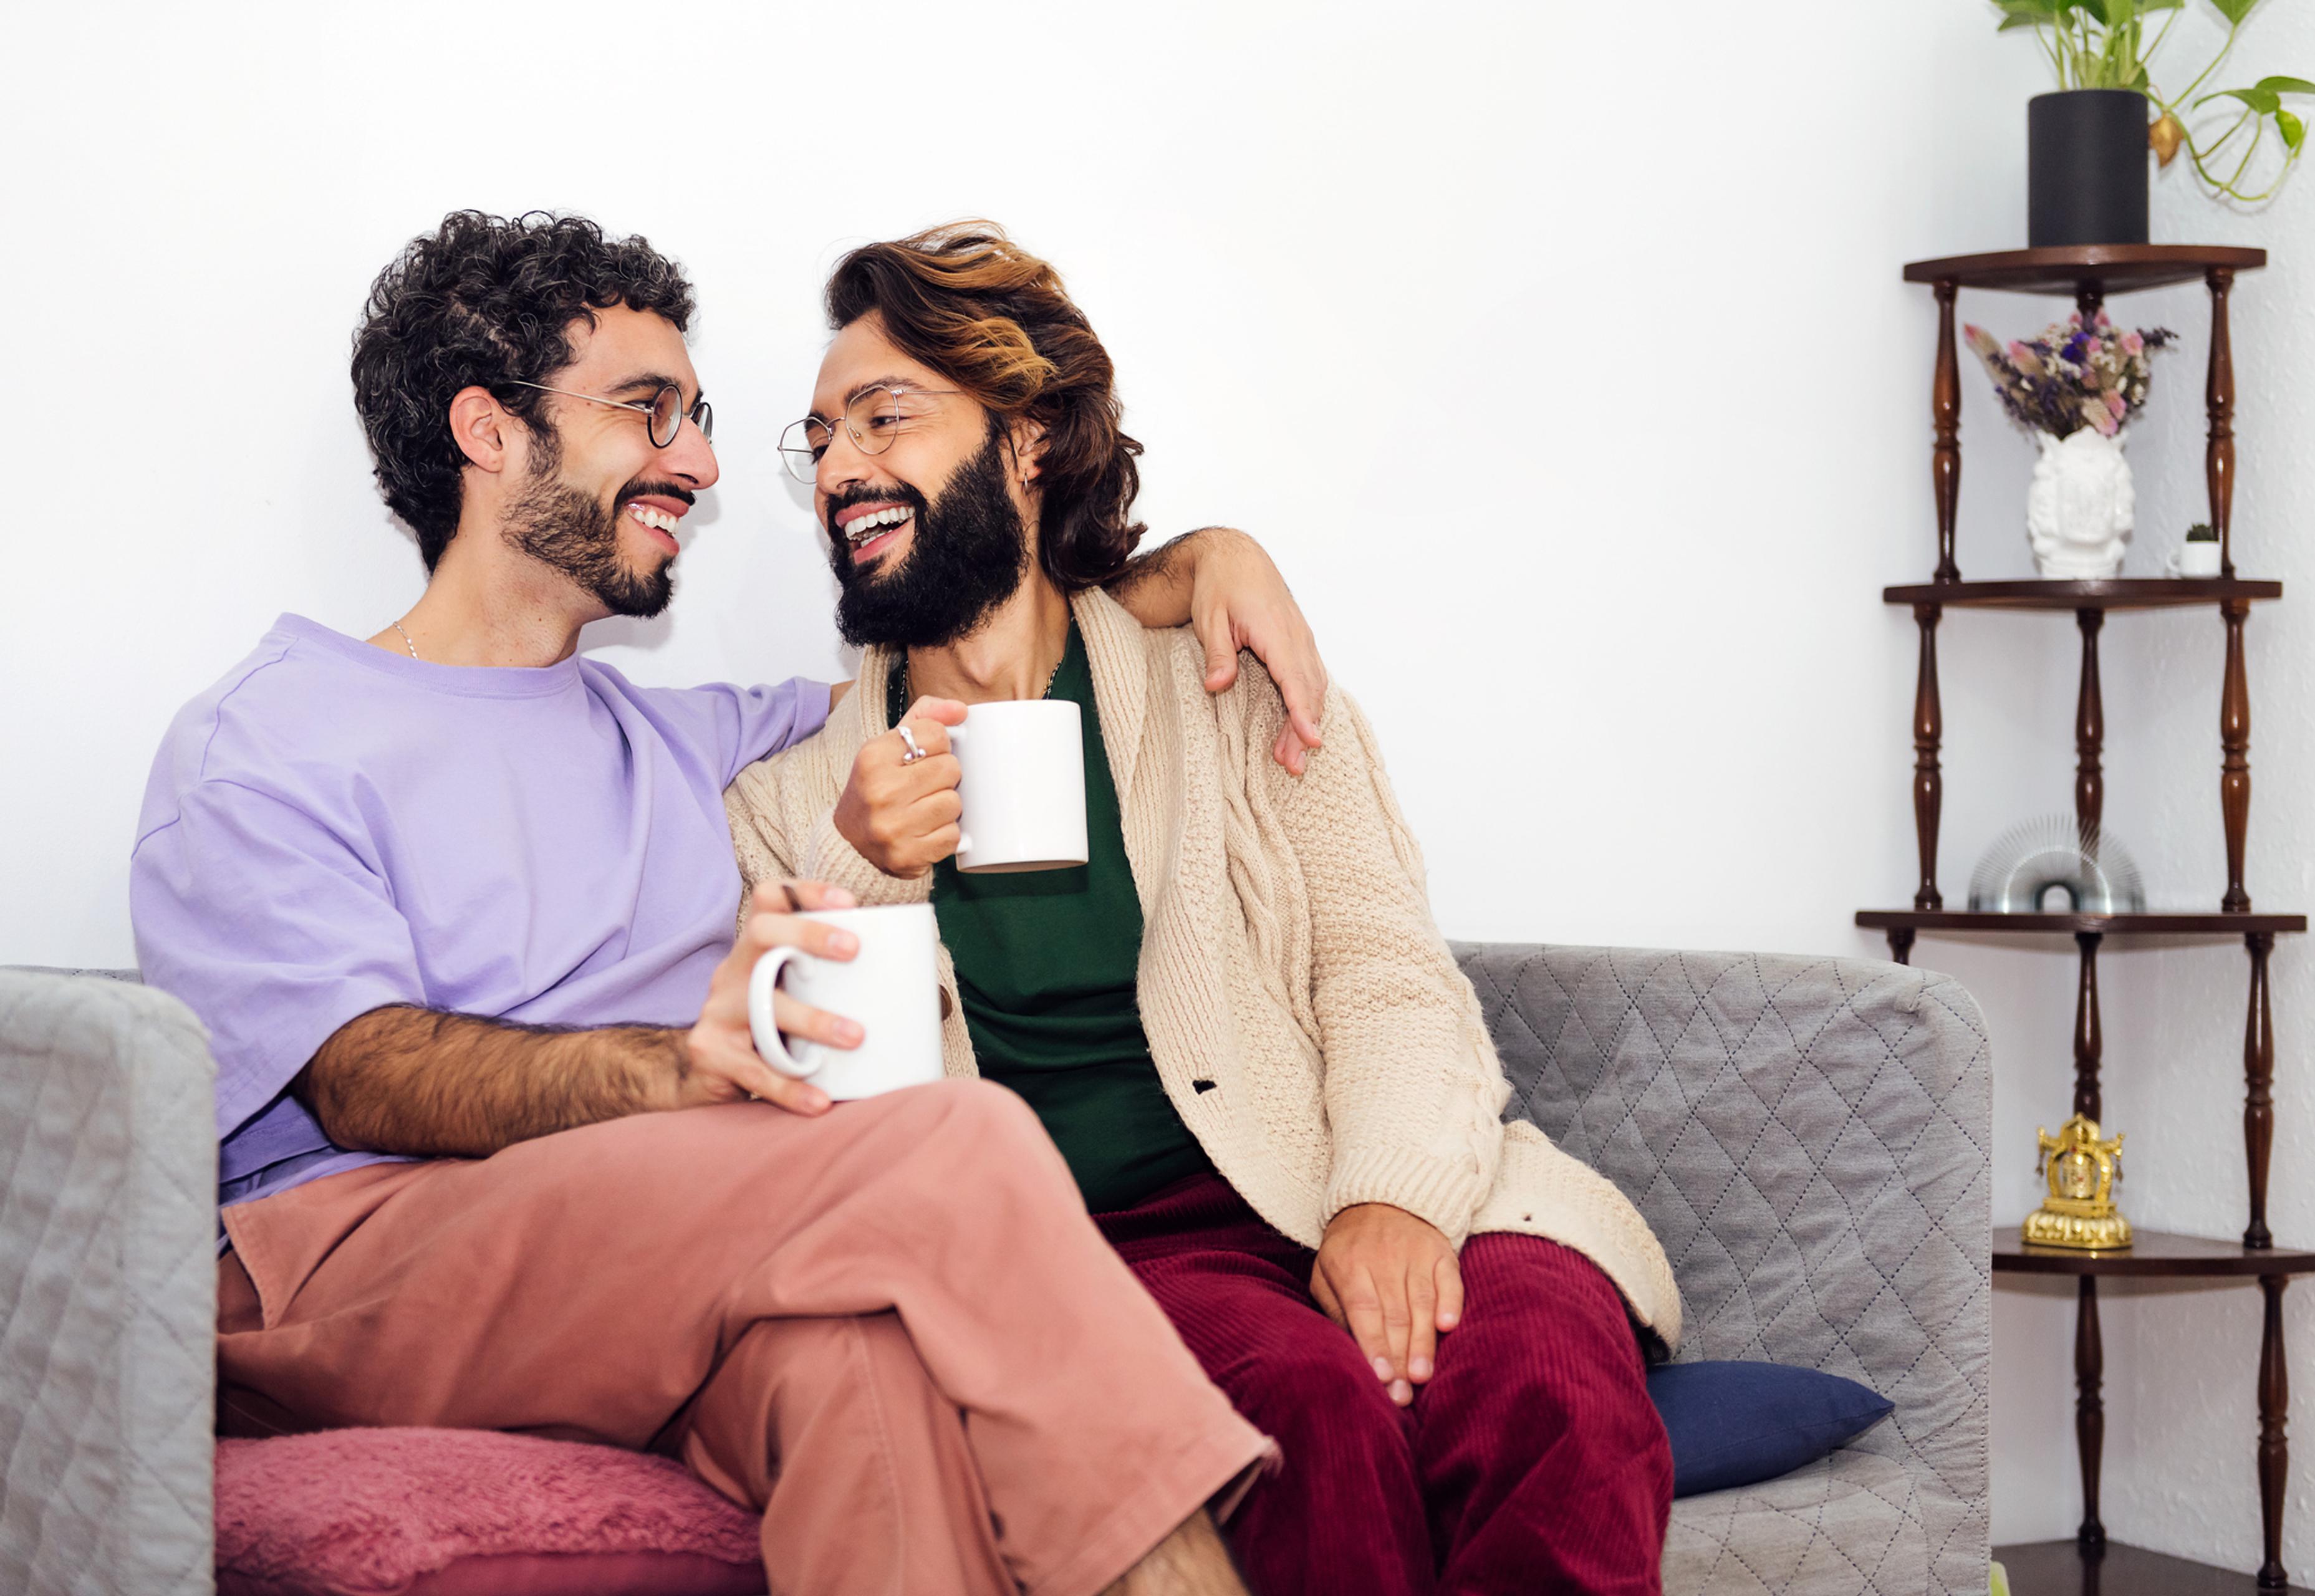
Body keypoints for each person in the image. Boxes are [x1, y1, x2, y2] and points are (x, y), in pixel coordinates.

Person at [131, 209, 1342, 1596]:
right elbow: (365, 1076)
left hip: (644, 1249)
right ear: (487, 429)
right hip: (354, 1260)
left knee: (865, 1365)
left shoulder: (688, 737)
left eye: (698, 417)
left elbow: (988, 641)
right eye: (648, 410)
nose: (700, 464)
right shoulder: (270, 734)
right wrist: (678, 1067)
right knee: (947, 1145)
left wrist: (1188, 567)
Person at [726, 223, 1684, 1596]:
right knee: (1302, 1414)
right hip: (1106, 1253)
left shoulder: (1226, 680)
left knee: (1544, 1375)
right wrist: (871, 864)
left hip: (1342, 1166)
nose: (838, 470)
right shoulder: (791, 798)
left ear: (1031, 436)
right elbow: (826, 1135)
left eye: (886, 416)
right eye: (816, 437)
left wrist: (1391, 1201)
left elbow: (1387, 975)